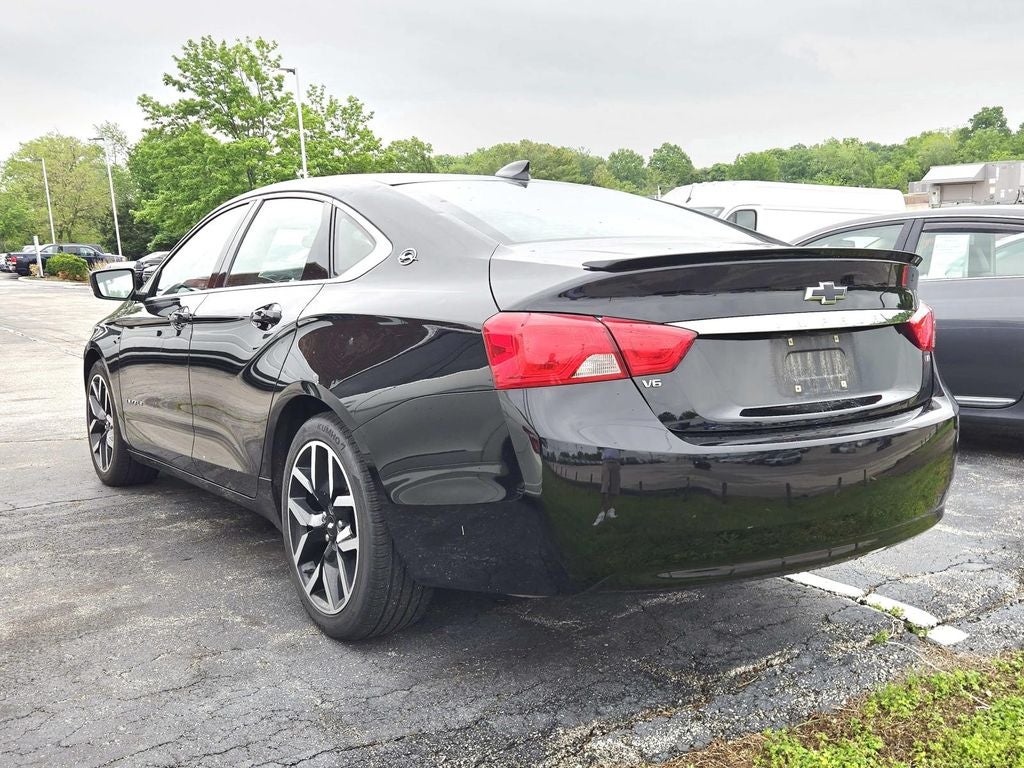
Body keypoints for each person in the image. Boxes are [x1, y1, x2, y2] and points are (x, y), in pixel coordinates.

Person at [593, 447, 621, 526]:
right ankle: (601, 513)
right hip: (606, 461)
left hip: (616, 462)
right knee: (605, 487)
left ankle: (610, 511)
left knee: (614, 488)